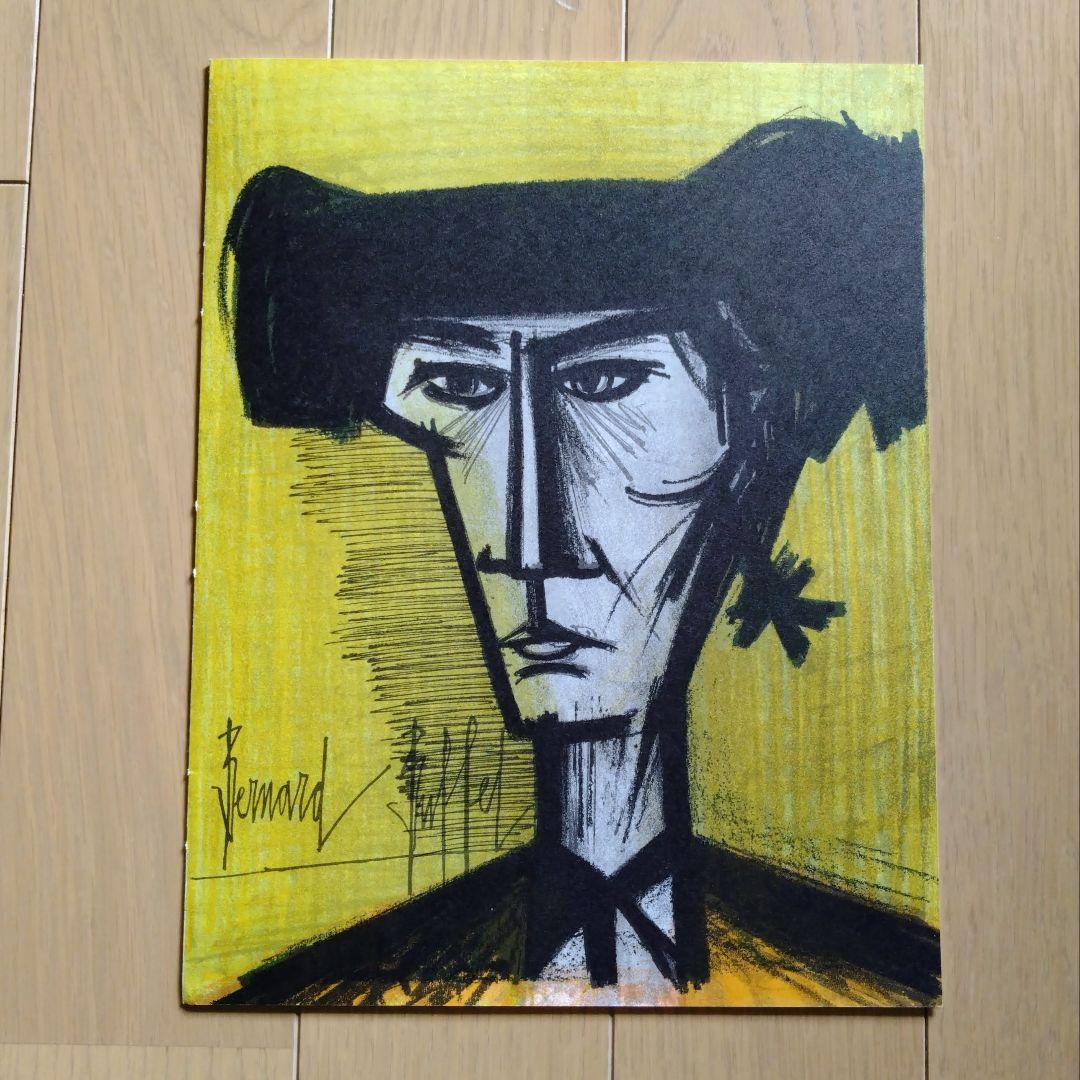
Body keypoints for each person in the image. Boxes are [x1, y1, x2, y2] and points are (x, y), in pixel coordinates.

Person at [216, 116, 939, 1006]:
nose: (530, 546)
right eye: (459, 385)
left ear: (752, 425)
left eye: (605, 383)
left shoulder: (889, 990)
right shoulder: (328, 1003)